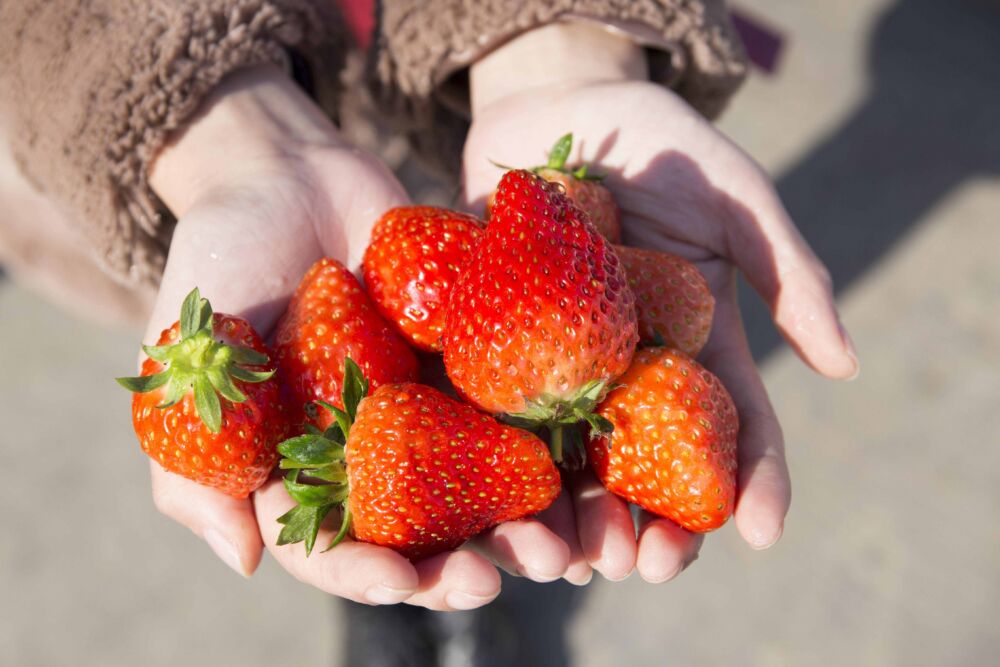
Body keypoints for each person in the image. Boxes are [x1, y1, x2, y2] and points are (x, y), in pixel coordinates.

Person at [0, 0, 858, 649]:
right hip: (151, 92)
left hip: (461, 123)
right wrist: (212, 129)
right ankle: (383, 603)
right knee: (347, 471)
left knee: (477, 485)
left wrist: (551, 40)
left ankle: (488, 601)